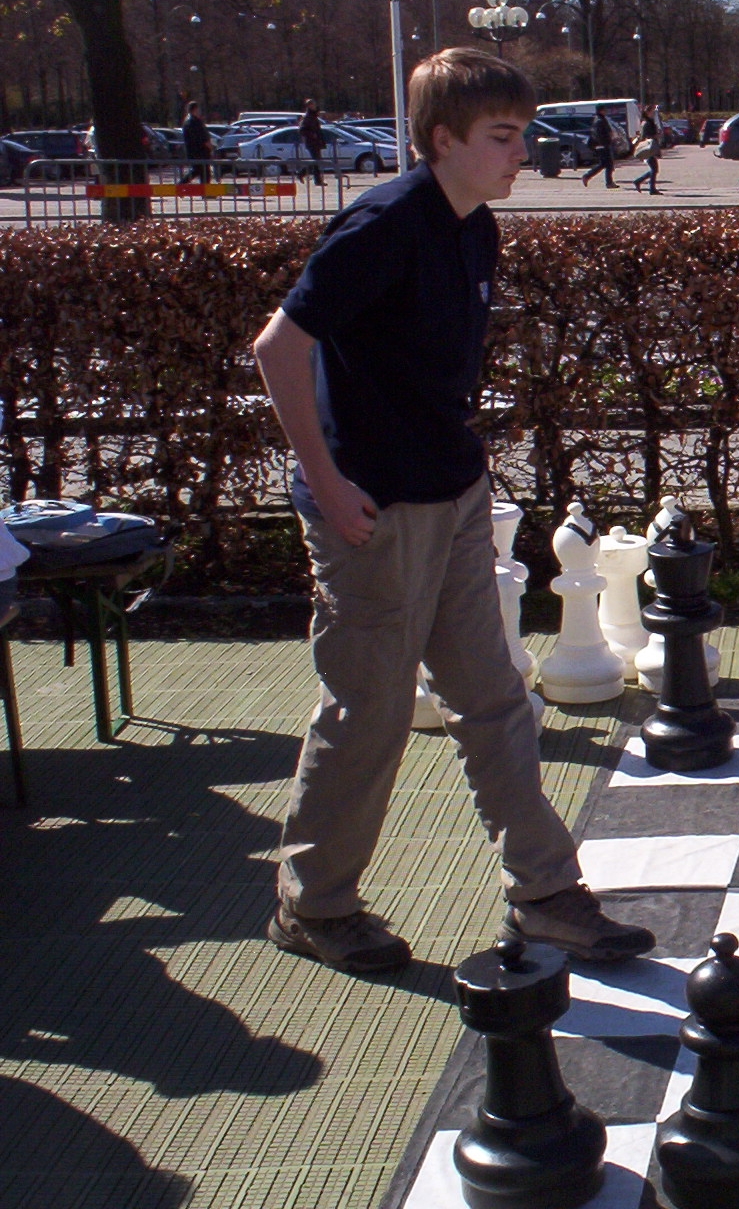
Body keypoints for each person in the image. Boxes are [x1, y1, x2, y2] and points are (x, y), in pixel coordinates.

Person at [250, 48, 654, 975]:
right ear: (443, 141)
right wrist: (330, 480)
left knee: (495, 699)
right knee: (370, 713)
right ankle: (313, 904)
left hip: (451, 491)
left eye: (522, 133)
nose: (524, 153)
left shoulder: (474, 225)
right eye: (502, 137)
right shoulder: (384, 224)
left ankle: (547, 893)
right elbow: (279, 348)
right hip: (372, 510)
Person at [578, 105, 617, 187]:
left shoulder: (601, 119)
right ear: (600, 110)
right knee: (606, 164)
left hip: (603, 144)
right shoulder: (599, 120)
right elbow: (598, 135)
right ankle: (588, 176)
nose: (606, 111)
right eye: (604, 110)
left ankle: (607, 182)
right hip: (602, 145)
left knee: (606, 164)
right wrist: (604, 143)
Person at [182, 100, 213, 181]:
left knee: (200, 172)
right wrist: (210, 147)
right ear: (195, 109)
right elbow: (202, 137)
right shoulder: (194, 122)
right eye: (198, 109)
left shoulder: (188, 121)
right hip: (200, 153)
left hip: (194, 152)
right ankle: (179, 186)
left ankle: (206, 192)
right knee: (201, 172)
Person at [299, 100, 328, 182]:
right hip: (312, 142)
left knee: (317, 161)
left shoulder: (313, 115)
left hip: (316, 141)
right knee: (316, 161)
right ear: (309, 106)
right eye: (313, 105)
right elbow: (302, 130)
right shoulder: (308, 117)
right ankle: (302, 173)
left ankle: (316, 179)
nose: (315, 106)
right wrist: (312, 135)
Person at [635, 104, 661, 193]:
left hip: (650, 147)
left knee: (654, 169)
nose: (654, 113)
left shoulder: (647, 122)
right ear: (648, 112)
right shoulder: (647, 123)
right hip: (649, 147)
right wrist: (656, 135)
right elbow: (647, 136)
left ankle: (639, 182)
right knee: (654, 169)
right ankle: (651, 188)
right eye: (652, 112)